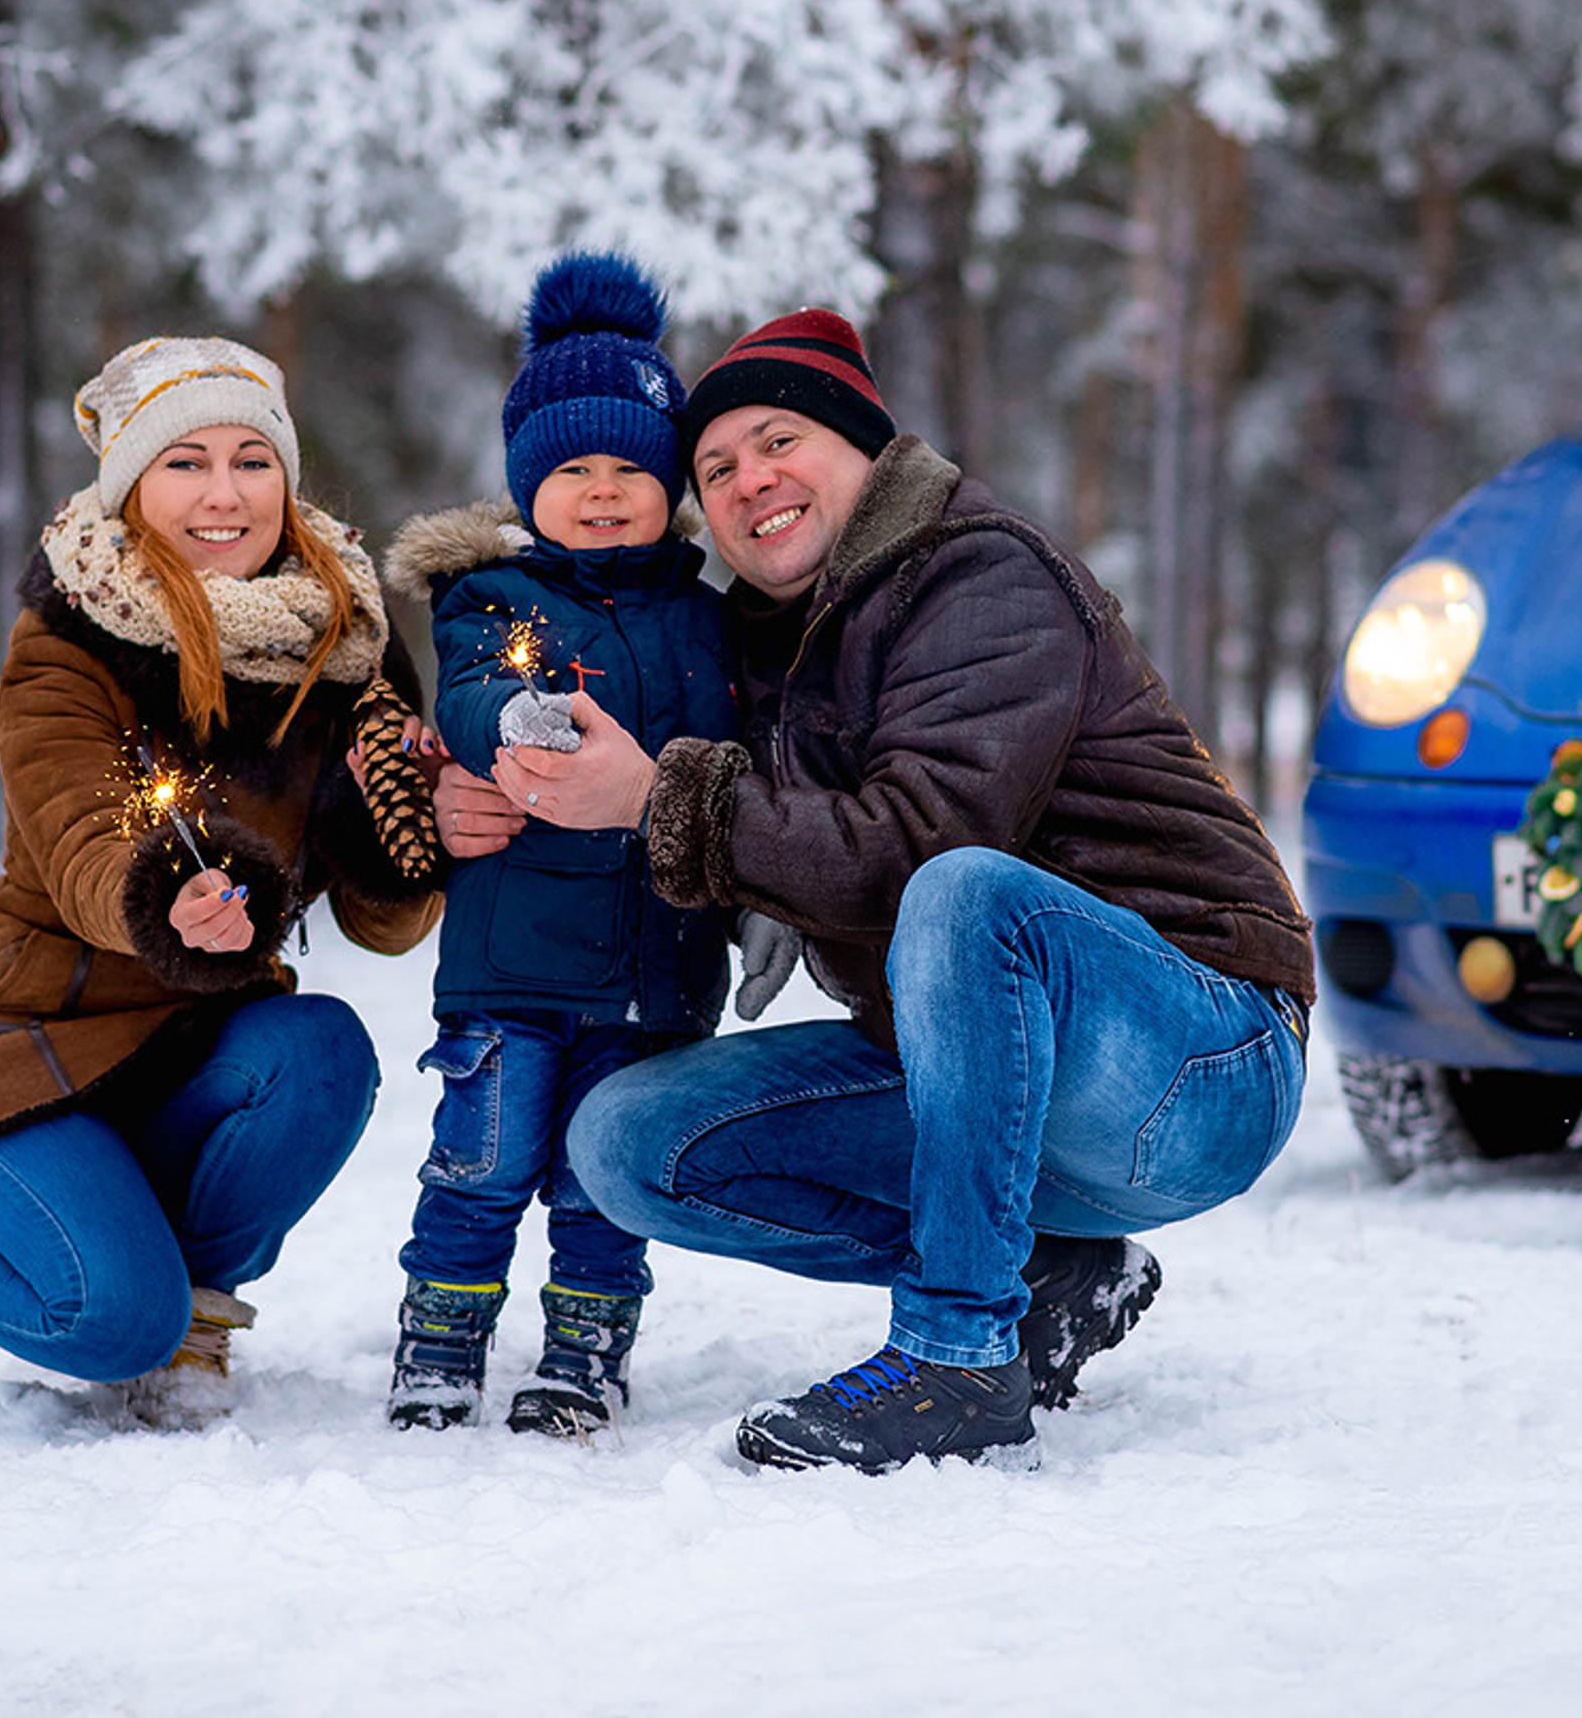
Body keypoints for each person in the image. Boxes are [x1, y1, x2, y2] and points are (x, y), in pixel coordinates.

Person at [444, 307, 1316, 1474]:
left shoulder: (977, 569)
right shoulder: (771, 640)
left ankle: (957, 1353)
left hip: (1198, 1056)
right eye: (716, 469)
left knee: (962, 891)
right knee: (627, 1140)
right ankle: (1050, 1270)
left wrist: (669, 801)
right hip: (995, 1089)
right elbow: (626, 742)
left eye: (778, 441)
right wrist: (455, 778)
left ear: (865, 448)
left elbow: (915, 847)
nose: (750, 480)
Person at [0, 335, 443, 1426]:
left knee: (323, 1052)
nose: (224, 493)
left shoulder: (343, 644)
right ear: (132, 485)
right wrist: (161, 898)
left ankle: (193, 1308)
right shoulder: (68, 639)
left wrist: (406, 837)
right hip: (16, 1046)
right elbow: (76, 840)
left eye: (252, 461)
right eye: (185, 462)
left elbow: (381, 922)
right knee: (110, 1321)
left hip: (192, 1047)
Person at [373, 250, 738, 1440]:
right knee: (479, 1169)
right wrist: (513, 723)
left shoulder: (708, 616)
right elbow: (471, 700)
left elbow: (745, 754)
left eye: (630, 466)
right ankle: (441, 1342)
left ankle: (585, 1353)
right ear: (528, 482)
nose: (601, 489)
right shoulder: (493, 603)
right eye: (572, 467)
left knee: (598, 1190)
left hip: (654, 973)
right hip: (513, 975)